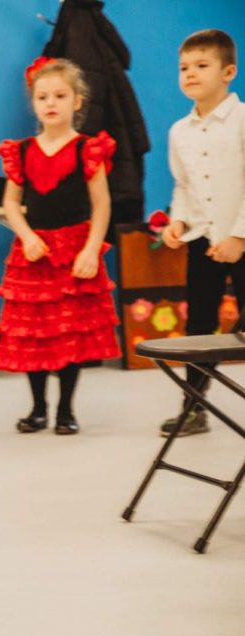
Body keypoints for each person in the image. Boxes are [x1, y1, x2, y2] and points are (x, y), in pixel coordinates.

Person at [0, 56, 120, 435]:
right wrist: (27, 235)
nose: (51, 103)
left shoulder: (87, 150)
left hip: (74, 250)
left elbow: (102, 205)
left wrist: (91, 250)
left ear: (77, 101)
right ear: (33, 103)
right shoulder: (22, 151)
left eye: (60, 96)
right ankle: (38, 408)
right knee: (35, 332)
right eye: (43, 96)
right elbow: (10, 203)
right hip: (35, 254)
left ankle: (66, 410)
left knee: (68, 333)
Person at [159, 30, 245, 437]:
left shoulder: (242, 120)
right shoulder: (179, 131)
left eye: (201, 65)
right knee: (198, 327)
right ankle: (194, 408)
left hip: (241, 239)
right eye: (184, 67)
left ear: (228, 72)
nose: (190, 73)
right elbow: (183, 185)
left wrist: (239, 237)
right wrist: (177, 221)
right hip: (203, 243)